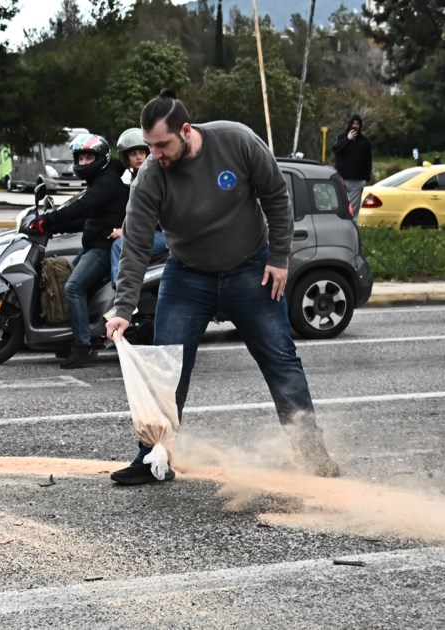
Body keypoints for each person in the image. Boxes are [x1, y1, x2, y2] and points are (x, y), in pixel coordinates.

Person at [105, 88, 341, 485]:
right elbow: (136, 244)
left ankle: (312, 454)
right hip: (187, 277)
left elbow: (277, 199)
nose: (154, 155)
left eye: (161, 145)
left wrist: (280, 258)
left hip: (251, 270)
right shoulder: (150, 177)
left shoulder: (237, 140)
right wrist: (123, 309)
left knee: (281, 362)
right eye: (148, 146)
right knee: (168, 370)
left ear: (185, 130)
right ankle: (152, 458)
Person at [24, 132, 128, 368]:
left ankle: (83, 347)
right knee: (71, 285)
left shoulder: (107, 182)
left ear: (100, 157)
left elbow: (82, 207)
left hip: (104, 247)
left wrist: (49, 221)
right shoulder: (101, 180)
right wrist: (54, 227)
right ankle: (77, 335)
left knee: (73, 287)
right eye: (79, 158)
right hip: (95, 243)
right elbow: (88, 219)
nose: (82, 163)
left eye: (88, 158)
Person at [109, 127, 167, 286]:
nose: (138, 158)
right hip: (152, 231)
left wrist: (126, 231)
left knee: (119, 246)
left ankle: (119, 292)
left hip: (162, 234)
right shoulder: (137, 177)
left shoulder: (151, 177)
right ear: (126, 158)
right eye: (133, 154)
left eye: (141, 153)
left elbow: (151, 215)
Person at [330, 113, 372, 217]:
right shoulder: (341, 137)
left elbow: (368, 161)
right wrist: (347, 139)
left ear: (360, 125)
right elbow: (335, 150)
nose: (355, 126)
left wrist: (365, 179)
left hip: (356, 182)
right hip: (341, 179)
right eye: (353, 123)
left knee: (353, 212)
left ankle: (352, 230)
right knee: (339, 207)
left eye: (357, 124)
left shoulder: (365, 142)